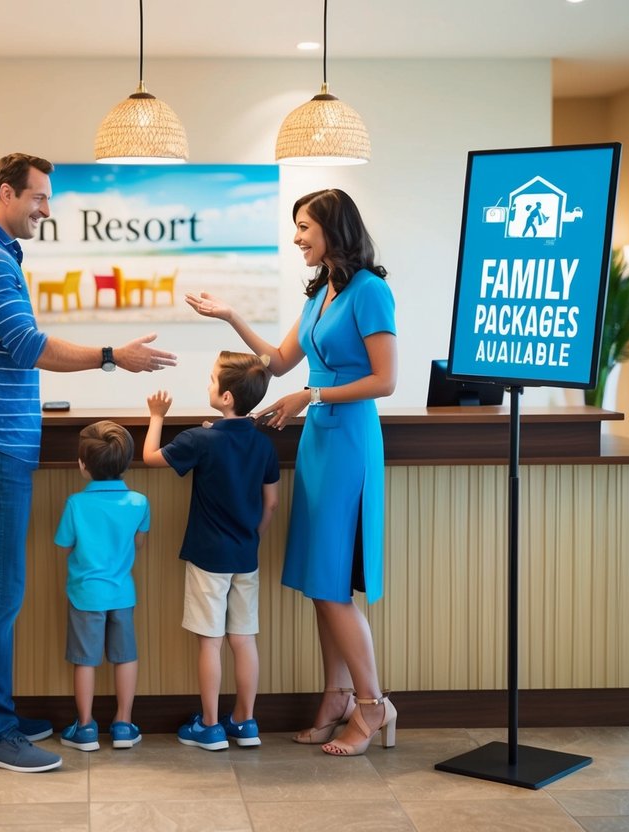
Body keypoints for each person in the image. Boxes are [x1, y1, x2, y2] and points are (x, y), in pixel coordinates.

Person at [0, 152, 177, 773]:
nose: (47, 210)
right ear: (4, 193)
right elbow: (26, 346)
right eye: (38, 198)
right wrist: (111, 355)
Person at [185, 188, 399, 757]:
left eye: (304, 226)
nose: (297, 237)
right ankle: (337, 696)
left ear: (334, 229)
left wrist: (312, 394)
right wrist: (231, 315)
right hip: (319, 443)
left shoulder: (370, 292)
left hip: (350, 440)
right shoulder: (320, 294)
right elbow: (276, 363)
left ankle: (373, 705)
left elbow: (385, 381)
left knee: (333, 588)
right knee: (320, 584)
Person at [142, 351, 280, 751]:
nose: (207, 384)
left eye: (210, 379)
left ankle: (209, 725)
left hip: (209, 559)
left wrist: (156, 416)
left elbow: (151, 457)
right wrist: (254, 536)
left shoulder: (199, 440)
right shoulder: (262, 444)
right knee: (243, 639)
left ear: (226, 399)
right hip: (245, 557)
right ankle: (245, 721)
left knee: (210, 642)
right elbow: (269, 503)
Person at [54, 421, 149, 752]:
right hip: (122, 593)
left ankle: (85, 728)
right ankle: (123, 724)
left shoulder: (75, 505)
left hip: (85, 595)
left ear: (83, 465)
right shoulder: (139, 503)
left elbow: (64, 545)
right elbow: (139, 543)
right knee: (125, 657)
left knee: (86, 660)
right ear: (126, 464)